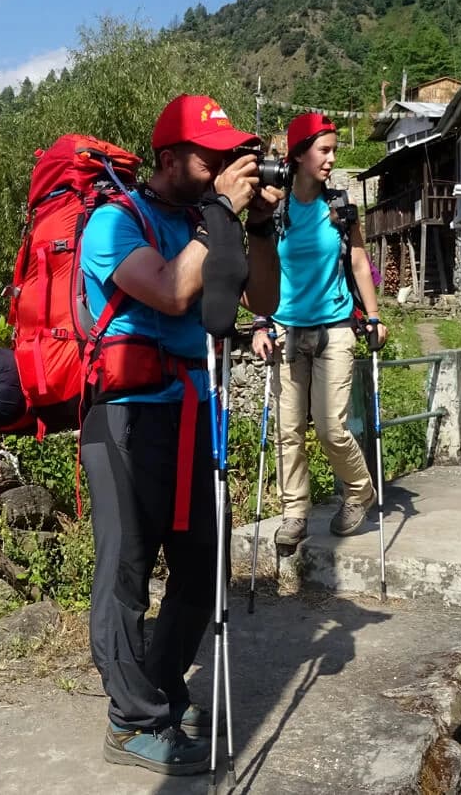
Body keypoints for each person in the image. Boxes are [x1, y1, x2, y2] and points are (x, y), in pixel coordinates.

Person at [80, 94, 281, 776]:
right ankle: (130, 721)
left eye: (229, 152)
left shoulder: (208, 220)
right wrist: (220, 215)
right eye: (209, 154)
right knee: (127, 573)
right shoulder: (112, 223)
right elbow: (168, 292)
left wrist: (258, 226)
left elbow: (266, 301)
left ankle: (162, 685)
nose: (225, 162)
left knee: (202, 566)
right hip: (126, 418)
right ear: (169, 159)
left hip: (193, 410)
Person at [251, 112, 388, 549]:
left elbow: (359, 261)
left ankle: (359, 490)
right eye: (324, 150)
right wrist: (259, 322)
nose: (331, 160)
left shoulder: (340, 206)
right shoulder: (274, 210)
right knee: (287, 430)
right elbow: (256, 269)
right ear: (299, 154)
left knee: (331, 428)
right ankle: (295, 513)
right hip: (287, 330)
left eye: (333, 151)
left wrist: (374, 315)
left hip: (335, 329)